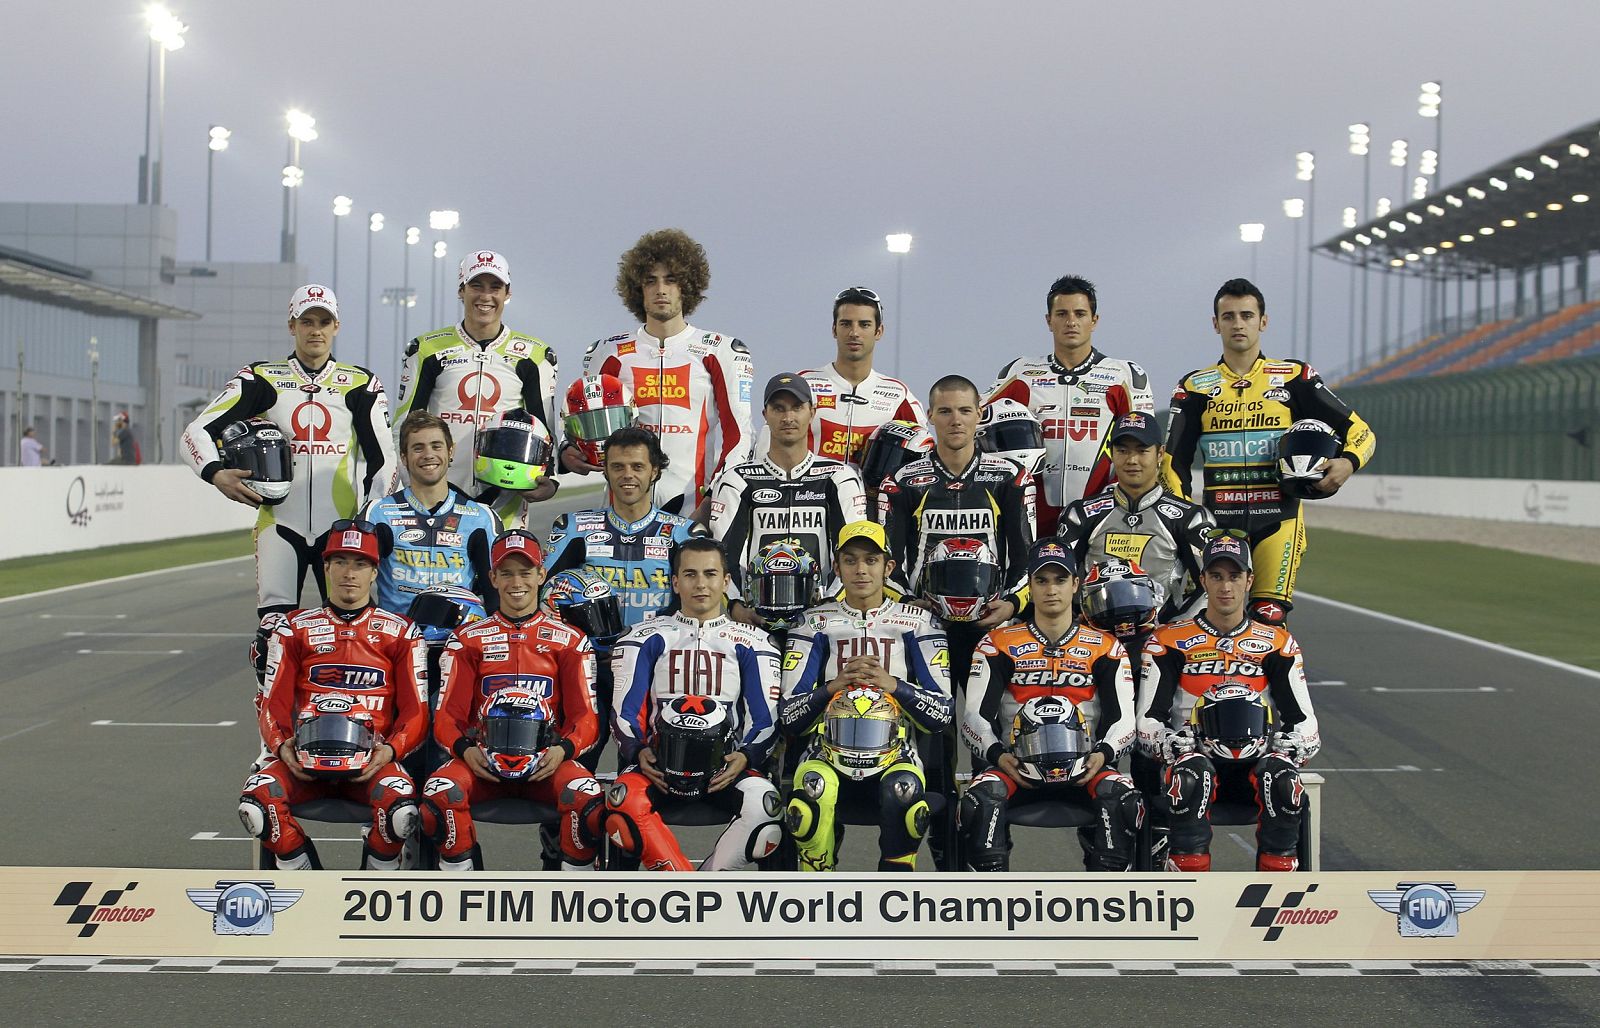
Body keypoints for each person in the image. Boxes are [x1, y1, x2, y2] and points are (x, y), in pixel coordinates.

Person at [1161, 278, 1375, 624]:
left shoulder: (1294, 377)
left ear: (1263, 321)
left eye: (1247, 315)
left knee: (1268, 621)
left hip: (1280, 519)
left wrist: (1348, 464)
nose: (1238, 323)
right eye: (1228, 316)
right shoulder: (1194, 386)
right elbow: (1173, 463)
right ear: (1215, 324)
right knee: (1208, 619)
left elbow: (1361, 432)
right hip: (1216, 523)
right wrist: (1183, 519)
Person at [181, 284, 398, 621]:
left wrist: (370, 521)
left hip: (340, 529)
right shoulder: (260, 378)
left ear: (336, 327)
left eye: (324, 322)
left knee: (351, 630)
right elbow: (195, 432)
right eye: (306, 321)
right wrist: (214, 473)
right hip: (279, 525)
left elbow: (383, 461)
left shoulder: (360, 384)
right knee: (273, 631)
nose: (315, 330)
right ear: (291, 326)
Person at [238, 521, 427, 870]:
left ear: (374, 571)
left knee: (402, 813)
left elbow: (417, 713)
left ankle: (372, 894)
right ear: (325, 568)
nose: (348, 573)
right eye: (339, 562)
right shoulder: (293, 628)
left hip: (372, 765)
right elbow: (273, 704)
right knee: (256, 804)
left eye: (359, 564)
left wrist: (390, 751)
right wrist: (282, 748)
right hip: (304, 765)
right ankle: (307, 885)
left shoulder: (402, 632)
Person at [420, 530, 605, 871]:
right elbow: (447, 715)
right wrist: (465, 750)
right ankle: (463, 897)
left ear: (541, 575)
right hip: (482, 764)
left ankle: (571, 900)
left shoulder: (571, 640)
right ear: (492, 577)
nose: (516, 582)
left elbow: (587, 718)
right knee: (439, 795)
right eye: (506, 573)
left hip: (547, 764)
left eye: (525, 571)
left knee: (590, 803)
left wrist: (563, 750)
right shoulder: (466, 640)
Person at [1137, 533, 1320, 871]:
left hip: (1256, 763)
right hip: (1191, 760)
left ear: (1249, 580)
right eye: (1217, 576)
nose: (1225, 587)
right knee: (1190, 776)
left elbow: (1304, 721)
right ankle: (1189, 890)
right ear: (1203, 579)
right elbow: (1148, 720)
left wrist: (1294, 746)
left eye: (1234, 576)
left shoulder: (1277, 641)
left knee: (1283, 778)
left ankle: (1278, 892)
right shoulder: (1167, 640)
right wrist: (1167, 744)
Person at [960, 539, 1143, 872]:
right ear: (1029, 587)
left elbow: (1125, 720)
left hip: (1087, 767)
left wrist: (1102, 755)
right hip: (1016, 767)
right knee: (979, 801)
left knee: (1123, 800)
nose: (1051, 589)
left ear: (1076, 584)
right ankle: (986, 913)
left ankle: (1113, 911)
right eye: (1041, 581)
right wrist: (999, 757)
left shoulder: (1107, 647)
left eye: (1060, 580)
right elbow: (974, 717)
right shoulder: (997, 643)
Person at [780, 521, 953, 871]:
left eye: (871, 560)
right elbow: (789, 716)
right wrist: (833, 686)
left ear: (888, 567)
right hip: (824, 754)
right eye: (850, 560)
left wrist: (895, 686)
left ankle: (894, 893)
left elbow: (942, 714)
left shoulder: (919, 623)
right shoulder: (812, 623)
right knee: (813, 791)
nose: (861, 570)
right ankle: (812, 894)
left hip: (897, 755)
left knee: (904, 793)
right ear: (837, 567)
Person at [606, 537, 784, 871]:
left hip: (726, 768)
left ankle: (704, 884)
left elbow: (765, 718)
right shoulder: (643, 635)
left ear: (726, 581)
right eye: (689, 574)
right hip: (659, 766)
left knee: (765, 807)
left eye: (710, 574)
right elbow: (624, 710)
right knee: (622, 802)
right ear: (675, 582)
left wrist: (746, 757)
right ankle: (685, 886)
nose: (700, 584)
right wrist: (636, 750)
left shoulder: (753, 641)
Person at [544, 426, 707, 768]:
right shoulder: (573, 526)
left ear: (655, 471)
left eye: (637, 466)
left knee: (643, 773)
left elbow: (701, 604)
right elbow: (544, 594)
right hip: (591, 669)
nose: (627, 475)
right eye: (618, 466)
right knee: (575, 766)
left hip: (655, 670)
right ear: (605, 470)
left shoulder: (683, 532)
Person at [564, 229, 754, 515]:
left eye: (671, 280)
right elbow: (579, 417)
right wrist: (567, 451)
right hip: (622, 509)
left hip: (695, 508)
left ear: (687, 286)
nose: (660, 289)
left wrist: (714, 501)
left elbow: (739, 435)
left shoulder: (719, 350)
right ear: (637, 289)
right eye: (650, 281)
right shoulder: (610, 352)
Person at [879, 374, 1035, 697]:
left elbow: (1026, 556)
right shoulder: (902, 481)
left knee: (990, 726)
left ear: (979, 414)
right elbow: (886, 561)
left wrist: (1010, 604)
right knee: (932, 730)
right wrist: (909, 604)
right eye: (946, 411)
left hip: (990, 623)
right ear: (930, 415)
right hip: (924, 624)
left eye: (965, 411)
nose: (956, 421)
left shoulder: (1011, 477)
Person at [392, 250, 560, 524]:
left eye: (495, 287)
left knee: (499, 568)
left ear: (507, 293)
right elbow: (404, 425)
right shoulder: (427, 348)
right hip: (437, 497)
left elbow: (545, 429)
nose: (486, 296)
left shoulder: (536, 355)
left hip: (505, 500)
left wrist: (548, 478)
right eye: (476, 286)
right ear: (461, 290)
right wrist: (411, 484)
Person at [986, 275, 1154, 536]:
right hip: (1031, 513)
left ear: (1094, 320)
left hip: (1102, 515)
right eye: (1062, 314)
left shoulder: (1124, 375)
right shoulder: (1021, 372)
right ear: (1048, 321)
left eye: (1080, 313)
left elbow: (1146, 448)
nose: (1071, 322)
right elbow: (975, 420)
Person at [708, 373, 867, 625]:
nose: (788, 417)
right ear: (765, 415)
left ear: (812, 413)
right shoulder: (737, 480)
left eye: (797, 408)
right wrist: (738, 609)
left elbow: (852, 553)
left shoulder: (839, 477)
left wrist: (831, 607)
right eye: (778, 408)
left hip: (824, 621)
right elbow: (721, 556)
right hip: (754, 620)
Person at [1059, 412, 1214, 624]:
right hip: (1097, 637)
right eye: (1122, 451)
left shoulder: (1190, 517)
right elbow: (1056, 581)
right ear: (1111, 453)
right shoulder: (1081, 513)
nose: (1132, 460)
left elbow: (1211, 587)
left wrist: (1176, 629)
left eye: (1142, 451)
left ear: (1160, 454)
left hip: (1159, 637)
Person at [748, 287, 926, 465]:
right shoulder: (804, 384)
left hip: (870, 493)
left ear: (879, 331)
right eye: (846, 323)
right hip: (809, 492)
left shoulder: (898, 394)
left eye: (864, 324)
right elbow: (766, 449)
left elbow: (925, 453)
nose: (854, 333)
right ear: (834, 329)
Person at [361, 410, 497, 616]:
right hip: (398, 640)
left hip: (457, 641)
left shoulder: (481, 517)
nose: (428, 455)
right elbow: (352, 584)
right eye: (418, 448)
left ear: (451, 451)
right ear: (404, 458)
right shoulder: (377, 513)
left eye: (436, 446)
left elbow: (496, 594)